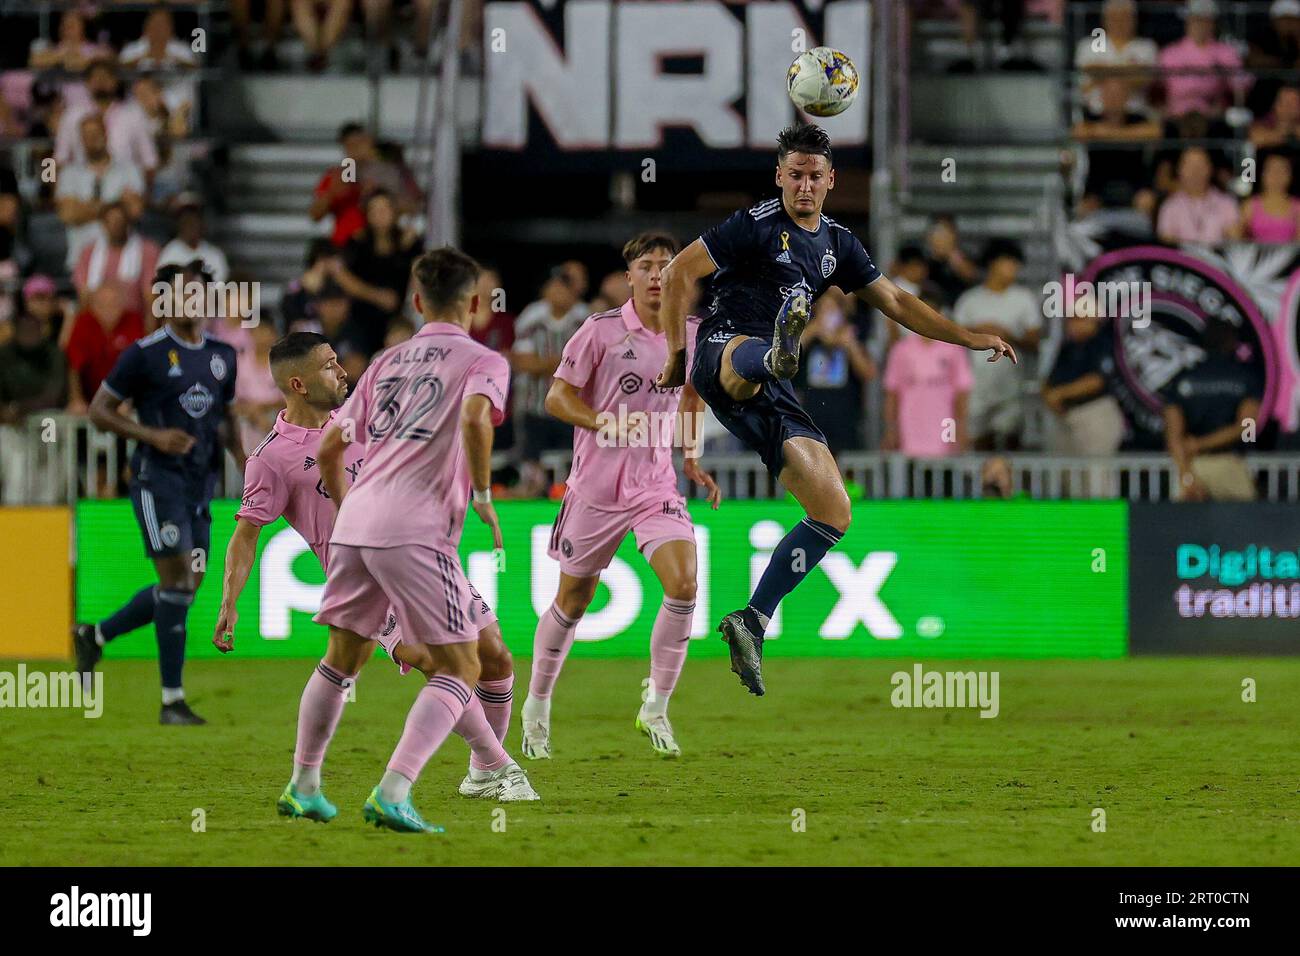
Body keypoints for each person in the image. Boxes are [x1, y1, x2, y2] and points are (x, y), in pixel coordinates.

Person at [655, 122, 1015, 696]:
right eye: (793, 174)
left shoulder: (839, 245)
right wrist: (676, 352)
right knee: (749, 359)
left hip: (777, 388)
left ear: (830, 181)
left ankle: (753, 619)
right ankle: (775, 354)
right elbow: (677, 273)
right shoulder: (752, 225)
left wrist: (967, 337)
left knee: (834, 510)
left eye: (814, 176)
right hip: (724, 350)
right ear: (779, 176)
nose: (803, 185)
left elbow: (895, 300)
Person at [212, 331, 535, 814]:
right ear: (297, 384)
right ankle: (496, 764)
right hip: (368, 577)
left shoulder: (366, 418)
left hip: (427, 554)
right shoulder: (271, 458)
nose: (341, 371)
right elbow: (246, 534)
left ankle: (481, 770)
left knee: (497, 659)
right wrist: (229, 602)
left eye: (338, 360)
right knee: (438, 660)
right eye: (328, 365)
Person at [312, 248, 537, 831]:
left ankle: (306, 783)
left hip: (371, 530)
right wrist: (484, 494)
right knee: (456, 664)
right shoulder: (483, 359)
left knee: (481, 655)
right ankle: (404, 786)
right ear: (477, 303)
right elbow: (473, 418)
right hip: (412, 531)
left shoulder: (386, 360)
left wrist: (348, 508)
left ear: (415, 302)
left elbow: (329, 447)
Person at [520, 232, 719, 760]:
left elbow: (692, 394)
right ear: (628, 277)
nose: (657, 275)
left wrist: (692, 458)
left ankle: (656, 705)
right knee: (573, 600)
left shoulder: (694, 334)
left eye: (666, 266)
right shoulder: (599, 332)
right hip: (594, 489)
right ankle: (537, 706)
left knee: (684, 583)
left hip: (655, 486)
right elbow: (557, 398)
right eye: (647, 267)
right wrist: (601, 421)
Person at [72, 262, 246, 725]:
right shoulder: (144, 355)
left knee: (186, 587)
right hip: (157, 481)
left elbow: (225, 416)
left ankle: (95, 635)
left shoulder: (223, 355)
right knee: (176, 584)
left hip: (200, 486)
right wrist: (152, 436)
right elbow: (99, 410)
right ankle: (172, 700)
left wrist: (246, 463)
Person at [952, 238, 1040, 450]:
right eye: (1010, 263)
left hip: (1011, 384)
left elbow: (1034, 342)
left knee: (1011, 441)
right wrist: (976, 334)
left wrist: (1007, 335)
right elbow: (952, 342)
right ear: (993, 263)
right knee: (979, 442)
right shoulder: (969, 301)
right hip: (976, 385)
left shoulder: (1024, 299)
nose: (1014, 269)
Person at [1163, 324, 1262, 503]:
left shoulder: (1182, 379)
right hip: (1230, 463)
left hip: (1192, 465)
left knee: (1182, 529)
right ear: (1233, 343)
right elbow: (1247, 428)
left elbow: (1173, 436)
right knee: (1245, 528)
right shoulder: (1245, 378)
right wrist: (1200, 445)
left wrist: (1186, 476)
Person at [512, 266, 588, 491]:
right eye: (553, 286)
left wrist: (543, 363)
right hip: (535, 408)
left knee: (576, 466)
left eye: (563, 287)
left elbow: (589, 366)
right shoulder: (531, 317)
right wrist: (565, 363)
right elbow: (523, 363)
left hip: (573, 409)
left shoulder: (585, 318)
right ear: (545, 290)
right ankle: (530, 489)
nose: (558, 292)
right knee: (531, 470)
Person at [332, 189, 420, 358]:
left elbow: (420, 274)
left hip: (398, 319)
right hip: (362, 318)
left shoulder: (407, 241)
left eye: (385, 209)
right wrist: (377, 296)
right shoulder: (358, 242)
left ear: (394, 212)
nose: (380, 215)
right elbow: (342, 276)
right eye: (375, 210)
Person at [882, 299, 974, 457]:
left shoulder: (953, 348)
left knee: (944, 474)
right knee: (911, 476)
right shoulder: (901, 349)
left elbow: (961, 393)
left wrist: (959, 432)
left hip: (946, 425)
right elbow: (892, 393)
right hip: (909, 427)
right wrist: (891, 430)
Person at [54, 115, 146, 269]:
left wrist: (83, 207)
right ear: (81, 140)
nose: (91, 139)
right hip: (81, 259)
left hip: (124, 260)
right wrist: (114, 207)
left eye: (95, 133)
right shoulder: (69, 174)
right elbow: (67, 214)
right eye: (86, 135)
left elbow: (135, 210)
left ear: (105, 134)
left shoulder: (129, 170)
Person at [795, 287, 876, 454]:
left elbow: (869, 373)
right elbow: (787, 355)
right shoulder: (808, 337)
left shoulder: (852, 335)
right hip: (812, 416)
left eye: (833, 309)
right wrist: (811, 331)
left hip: (846, 417)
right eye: (824, 309)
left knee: (849, 473)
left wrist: (850, 345)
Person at [0, 311, 67, 505]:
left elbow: (54, 396)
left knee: (52, 456)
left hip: (47, 421)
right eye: (24, 330)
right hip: (11, 426)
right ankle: (15, 509)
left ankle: (49, 507)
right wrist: (5, 411)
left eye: (33, 329)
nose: (28, 334)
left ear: (42, 330)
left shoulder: (53, 353)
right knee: (18, 461)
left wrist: (19, 408)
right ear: (15, 331)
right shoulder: (4, 355)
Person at [1157, 0, 1251, 124]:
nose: (1201, 25)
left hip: (1213, 117)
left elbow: (1242, 86)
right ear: (1188, 21)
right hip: (1176, 117)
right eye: (1196, 19)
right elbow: (1156, 89)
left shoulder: (1226, 52)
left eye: (1206, 20)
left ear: (1213, 23)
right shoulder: (1169, 53)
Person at [1041, 313, 1124, 455]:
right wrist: (1049, 395)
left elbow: (1096, 381)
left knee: (1096, 473)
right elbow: (1049, 379)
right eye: (1070, 320)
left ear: (1094, 321)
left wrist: (1059, 394)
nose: (1072, 324)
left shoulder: (1103, 343)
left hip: (1096, 413)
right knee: (1066, 474)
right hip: (1066, 415)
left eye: (1078, 320)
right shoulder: (1068, 347)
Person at [63, 282, 145, 413]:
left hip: (126, 397)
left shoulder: (134, 321)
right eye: (102, 305)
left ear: (123, 304)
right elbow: (74, 367)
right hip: (91, 396)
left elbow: (140, 367)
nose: (109, 309)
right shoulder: (83, 322)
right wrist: (76, 399)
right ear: (92, 306)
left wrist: (129, 400)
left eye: (114, 303)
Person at [72, 202, 160, 316]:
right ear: (103, 224)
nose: (115, 225)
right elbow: (84, 296)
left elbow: (150, 297)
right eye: (111, 221)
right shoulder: (88, 252)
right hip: (97, 317)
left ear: (127, 223)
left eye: (119, 221)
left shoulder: (147, 251)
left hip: (133, 317)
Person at [1074, 0, 1157, 114]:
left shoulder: (1146, 46)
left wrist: (1103, 72)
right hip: (1095, 113)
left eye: (1125, 17)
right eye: (1114, 17)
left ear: (1134, 19)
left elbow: (1143, 78)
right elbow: (1088, 72)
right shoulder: (1088, 45)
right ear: (1104, 19)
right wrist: (1129, 71)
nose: (1119, 22)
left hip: (1135, 113)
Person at [310, 122, 376, 247]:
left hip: (376, 246)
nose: (356, 150)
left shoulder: (383, 173)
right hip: (343, 244)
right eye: (351, 146)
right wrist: (333, 192)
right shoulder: (336, 176)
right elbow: (315, 215)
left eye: (359, 144)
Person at [1156, 146, 1239, 245]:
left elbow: (1235, 241)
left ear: (1210, 168)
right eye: (1189, 166)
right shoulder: (1169, 206)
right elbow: (1166, 244)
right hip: (1181, 259)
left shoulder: (1227, 203)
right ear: (1179, 170)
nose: (1195, 171)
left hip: (1216, 259)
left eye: (1200, 165)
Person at [158, 199, 230, 283]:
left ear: (202, 224)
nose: (190, 225)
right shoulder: (169, 253)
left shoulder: (215, 254)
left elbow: (221, 288)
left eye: (194, 220)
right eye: (186, 221)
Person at [1233, 153, 1300, 243]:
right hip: (1256, 256)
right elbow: (1237, 236)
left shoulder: (1297, 207)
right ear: (1262, 174)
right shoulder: (1250, 205)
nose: (1276, 175)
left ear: (1290, 175)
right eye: (1271, 170)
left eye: (1282, 170)